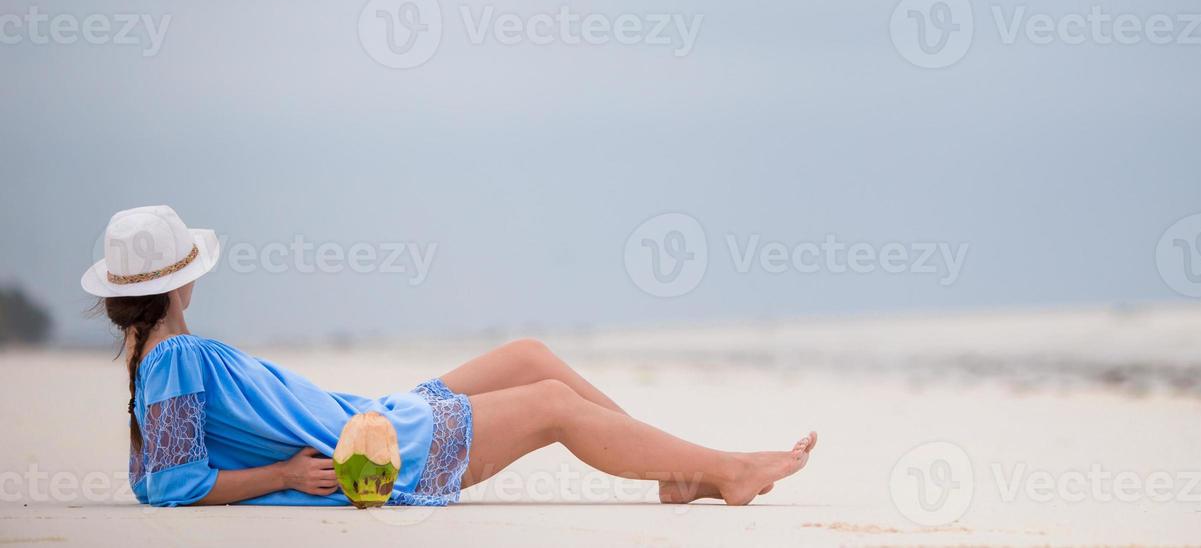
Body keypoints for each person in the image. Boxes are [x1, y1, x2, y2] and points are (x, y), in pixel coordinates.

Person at [82, 205, 815, 507]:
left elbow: (151, 475)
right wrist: (281, 475)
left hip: (372, 420)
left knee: (529, 354)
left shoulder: (154, 353)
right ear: (183, 278)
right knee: (555, 407)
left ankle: (678, 470)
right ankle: (726, 471)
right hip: (380, 453)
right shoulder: (174, 356)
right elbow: (172, 483)